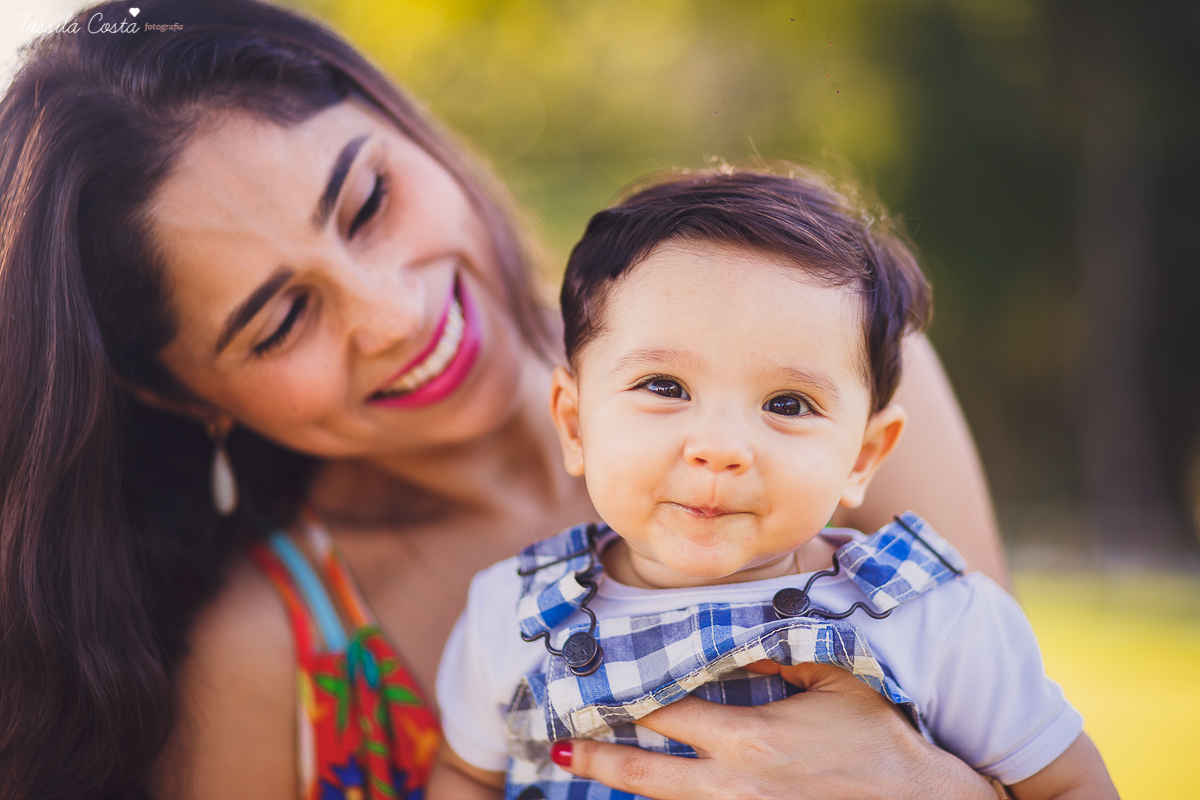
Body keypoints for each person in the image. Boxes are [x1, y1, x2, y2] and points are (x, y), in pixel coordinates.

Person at [0, 1, 1011, 799]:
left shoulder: (823, 378)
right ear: (178, 393)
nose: (390, 312)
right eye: (278, 321)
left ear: (404, 123)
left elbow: (1027, 752)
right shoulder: (271, 654)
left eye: (368, 201)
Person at [430, 171, 1117, 800]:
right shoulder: (515, 618)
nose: (721, 449)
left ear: (863, 455)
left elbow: (1069, 785)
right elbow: (467, 775)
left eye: (787, 404)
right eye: (665, 387)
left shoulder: (932, 621)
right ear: (576, 425)